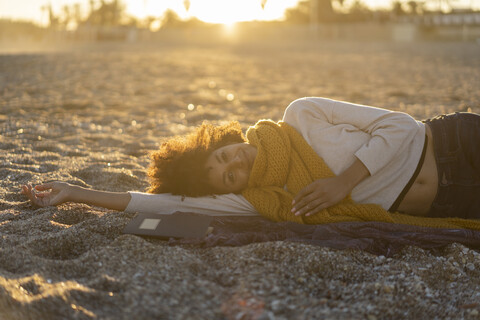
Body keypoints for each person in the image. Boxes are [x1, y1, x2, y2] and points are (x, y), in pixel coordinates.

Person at [21, 97, 480, 229]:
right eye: (229, 176)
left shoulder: (301, 115)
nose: (235, 162)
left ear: (226, 139)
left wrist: (345, 181)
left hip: (453, 142)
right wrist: (76, 193)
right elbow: (161, 205)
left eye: (225, 155)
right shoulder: (266, 199)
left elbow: (400, 126)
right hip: (449, 200)